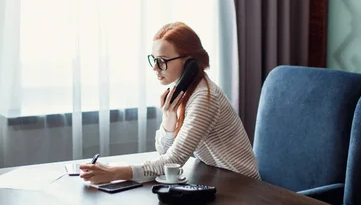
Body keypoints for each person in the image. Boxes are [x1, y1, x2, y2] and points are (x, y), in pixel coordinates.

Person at [79, 22, 260, 184]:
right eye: (154, 60)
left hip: (242, 188)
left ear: (189, 63)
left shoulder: (205, 99)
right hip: (219, 181)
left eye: (162, 61)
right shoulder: (185, 92)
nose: (155, 68)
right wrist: (169, 116)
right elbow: (164, 153)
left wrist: (114, 173)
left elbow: (173, 160)